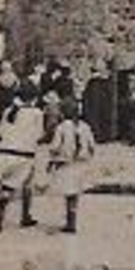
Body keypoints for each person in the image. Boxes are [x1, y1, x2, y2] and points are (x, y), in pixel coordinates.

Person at [0, 81, 46, 232]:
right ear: (34, 98)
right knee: (27, 185)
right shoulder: (37, 113)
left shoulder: (9, 111)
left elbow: (0, 133)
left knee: (7, 186)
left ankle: (1, 210)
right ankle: (25, 215)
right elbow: (39, 135)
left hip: (5, 153)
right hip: (25, 154)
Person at [47, 98, 97, 234]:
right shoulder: (85, 126)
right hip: (80, 164)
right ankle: (72, 220)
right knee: (74, 195)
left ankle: (70, 222)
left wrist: (52, 160)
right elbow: (92, 146)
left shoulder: (61, 127)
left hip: (66, 165)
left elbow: (54, 147)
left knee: (69, 194)